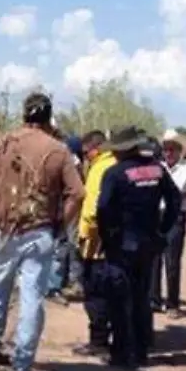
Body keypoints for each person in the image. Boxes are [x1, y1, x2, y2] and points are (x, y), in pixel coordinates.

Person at [0, 92, 85, 371]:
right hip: (40, 230)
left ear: (24, 115)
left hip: (4, 230)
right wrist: (61, 226)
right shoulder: (58, 151)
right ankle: (22, 365)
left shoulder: (1, 145)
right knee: (32, 297)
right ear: (48, 117)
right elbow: (78, 193)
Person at [96, 126, 183, 369]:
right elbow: (174, 200)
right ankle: (142, 348)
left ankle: (122, 353)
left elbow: (103, 209)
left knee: (119, 297)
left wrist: (107, 237)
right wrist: (163, 230)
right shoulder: (157, 168)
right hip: (149, 242)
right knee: (141, 296)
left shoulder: (114, 173)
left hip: (122, 244)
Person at [74, 129, 114, 356]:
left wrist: (86, 236)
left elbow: (92, 210)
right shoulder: (114, 164)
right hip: (113, 241)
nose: (84, 157)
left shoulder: (100, 168)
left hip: (95, 243)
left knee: (94, 291)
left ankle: (98, 342)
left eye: (85, 152)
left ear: (95, 149)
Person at [151, 129, 186, 317]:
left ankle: (172, 302)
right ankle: (153, 299)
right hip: (156, 214)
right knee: (154, 259)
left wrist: (158, 188)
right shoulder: (158, 166)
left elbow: (176, 189)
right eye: (166, 149)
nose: (168, 153)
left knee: (172, 260)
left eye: (172, 149)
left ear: (179, 151)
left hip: (176, 216)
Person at [46, 135, 87, 300]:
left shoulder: (69, 159)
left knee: (67, 244)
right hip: (67, 207)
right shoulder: (70, 160)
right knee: (65, 245)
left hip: (67, 207)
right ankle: (59, 284)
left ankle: (64, 283)